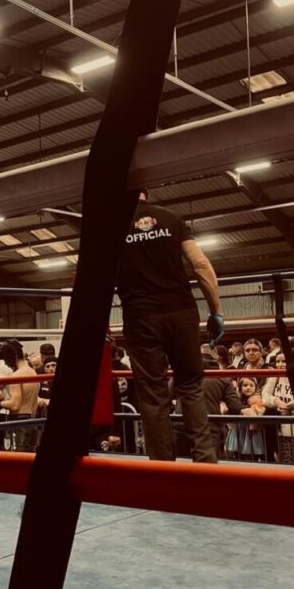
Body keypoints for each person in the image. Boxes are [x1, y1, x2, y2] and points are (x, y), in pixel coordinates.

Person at [116, 192, 223, 463]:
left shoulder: (111, 225)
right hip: (181, 312)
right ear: (147, 194)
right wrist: (216, 312)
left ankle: (163, 469)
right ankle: (206, 462)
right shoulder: (171, 218)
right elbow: (200, 265)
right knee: (191, 386)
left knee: (153, 394)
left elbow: (93, 276)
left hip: (140, 317)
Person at [0, 340, 40, 451]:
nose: (6, 363)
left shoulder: (16, 375)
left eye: (6, 359)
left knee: (17, 461)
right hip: (32, 422)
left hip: (19, 422)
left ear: (11, 357)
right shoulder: (33, 373)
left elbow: (15, 405)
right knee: (28, 459)